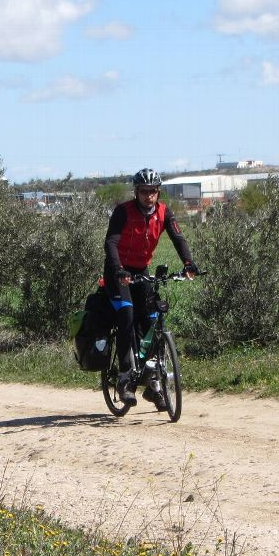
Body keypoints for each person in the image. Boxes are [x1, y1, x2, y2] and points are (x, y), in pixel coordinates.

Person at [104, 168, 198, 407]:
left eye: (153, 191)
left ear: (158, 192)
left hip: (141, 271)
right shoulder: (123, 212)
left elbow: (179, 238)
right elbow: (111, 242)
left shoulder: (164, 212)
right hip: (118, 272)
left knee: (151, 319)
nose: (149, 196)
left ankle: (153, 382)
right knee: (126, 314)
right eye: (144, 191)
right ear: (136, 192)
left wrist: (188, 263)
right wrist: (119, 270)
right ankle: (125, 378)